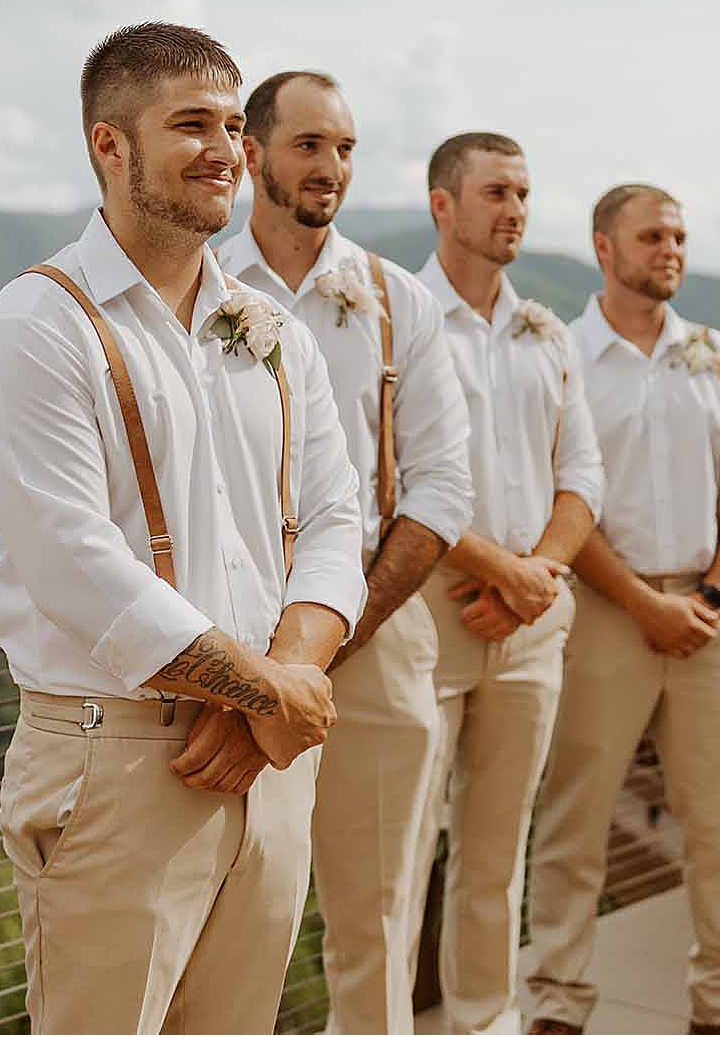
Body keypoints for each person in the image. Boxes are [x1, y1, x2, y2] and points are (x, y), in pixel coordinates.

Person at [0, 23, 367, 1034]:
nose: (225, 148)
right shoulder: (36, 325)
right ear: (108, 144)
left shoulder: (270, 330)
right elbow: (71, 562)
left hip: (264, 757)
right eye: (189, 124)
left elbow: (331, 514)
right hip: (116, 765)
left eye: (232, 124)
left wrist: (274, 689)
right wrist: (265, 689)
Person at [217, 73, 472, 1033]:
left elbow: (443, 487)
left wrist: (339, 628)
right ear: (252, 153)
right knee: (239, 908)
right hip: (228, 641)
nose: (330, 168)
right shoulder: (198, 285)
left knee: (376, 911)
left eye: (347, 149)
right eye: (309, 145)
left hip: (377, 630)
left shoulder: (399, 301)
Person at [522, 182, 720, 1036]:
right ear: (605, 247)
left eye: (679, 235)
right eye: (651, 236)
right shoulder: (562, 353)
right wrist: (639, 601)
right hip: (602, 607)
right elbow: (561, 492)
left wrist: (710, 596)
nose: (670, 249)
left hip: (713, 609)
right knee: (576, 813)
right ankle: (557, 1002)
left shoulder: (718, 355)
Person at [407, 132, 603, 1034]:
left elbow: (583, 476)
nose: (514, 209)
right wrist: (501, 572)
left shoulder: (546, 330)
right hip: (429, 614)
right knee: (402, 856)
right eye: (494, 192)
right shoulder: (402, 318)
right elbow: (390, 480)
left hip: (531, 619)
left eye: (523, 193)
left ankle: (485, 1023)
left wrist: (540, 576)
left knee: (496, 851)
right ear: (443, 204)